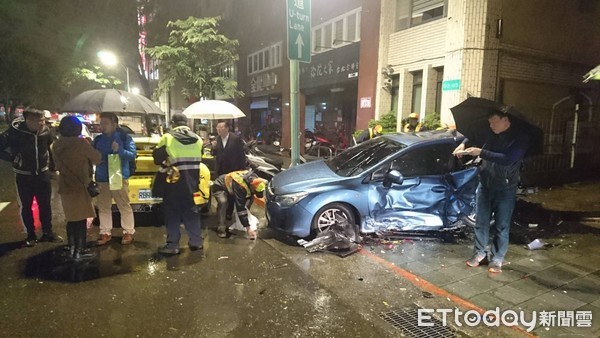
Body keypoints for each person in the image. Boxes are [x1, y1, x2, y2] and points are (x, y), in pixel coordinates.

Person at [453, 108, 529, 273]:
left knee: (502, 225)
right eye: (489, 123)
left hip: (505, 188)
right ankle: (479, 254)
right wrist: (463, 144)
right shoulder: (489, 132)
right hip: (485, 184)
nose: (491, 125)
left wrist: (481, 152)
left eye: (494, 122)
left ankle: (497, 258)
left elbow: (508, 159)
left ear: (505, 120)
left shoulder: (520, 138)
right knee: (481, 222)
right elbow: (473, 135)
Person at [0, 107, 60, 246]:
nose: (41, 123)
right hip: (24, 175)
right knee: (25, 206)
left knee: (45, 204)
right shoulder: (14, 133)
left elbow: (49, 148)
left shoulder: (46, 131)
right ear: (28, 120)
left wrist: (53, 167)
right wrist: (12, 158)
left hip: (43, 174)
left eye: (42, 120)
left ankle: (48, 232)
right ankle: (30, 235)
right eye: (38, 121)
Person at [152, 113, 203, 255]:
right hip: (191, 182)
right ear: (186, 123)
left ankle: (173, 245)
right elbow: (201, 156)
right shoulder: (197, 138)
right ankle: (196, 242)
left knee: (172, 213)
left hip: (173, 181)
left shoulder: (168, 137)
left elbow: (157, 158)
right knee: (191, 212)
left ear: (173, 123)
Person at [52, 116, 102, 260]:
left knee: (71, 218)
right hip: (81, 185)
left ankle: (72, 247)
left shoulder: (56, 145)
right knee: (80, 219)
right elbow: (97, 159)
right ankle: (80, 250)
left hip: (65, 185)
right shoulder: (81, 143)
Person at [92, 112, 136, 245]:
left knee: (123, 205)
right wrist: (95, 156)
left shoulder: (124, 137)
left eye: (105, 123)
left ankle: (128, 232)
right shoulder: (98, 139)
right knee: (104, 206)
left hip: (118, 175)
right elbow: (92, 156)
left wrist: (119, 150)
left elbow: (132, 155)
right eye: (101, 123)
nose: (102, 126)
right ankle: (105, 232)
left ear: (114, 124)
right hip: (102, 176)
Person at [212, 170, 267, 240]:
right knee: (223, 202)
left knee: (250, 199)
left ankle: (236, 218)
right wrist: (248, 228)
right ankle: (221, 228)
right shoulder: (240, 186)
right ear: (252, 187)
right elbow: (240, 208)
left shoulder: (255, 179)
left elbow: (250, 196)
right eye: (254, 192)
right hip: (220, 186)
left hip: (231, 187)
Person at [211, 120, 246, 221]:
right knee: (221, 192)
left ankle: (229, 212)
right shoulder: (216, 140)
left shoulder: (235, 139)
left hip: (233, 170)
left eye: (221, 127)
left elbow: (241, 155)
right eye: (217, 128)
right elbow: (214, 154)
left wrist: (242, 170)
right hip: (221, 170)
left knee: (231, 192)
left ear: (227, 128)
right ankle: (221, 211)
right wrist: (213, 148)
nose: (218, 129)